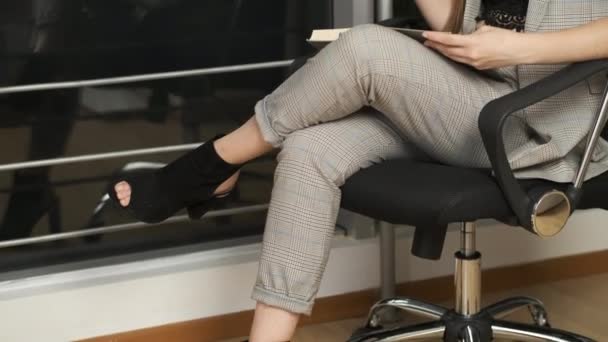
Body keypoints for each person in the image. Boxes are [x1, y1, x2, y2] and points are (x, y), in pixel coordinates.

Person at [107, 0, 608, 341]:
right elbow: (462, 21)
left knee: (367, 50)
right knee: (309, 146)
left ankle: (207, 166)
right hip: (467, 98)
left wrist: (518, 49)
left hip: (534, 119)